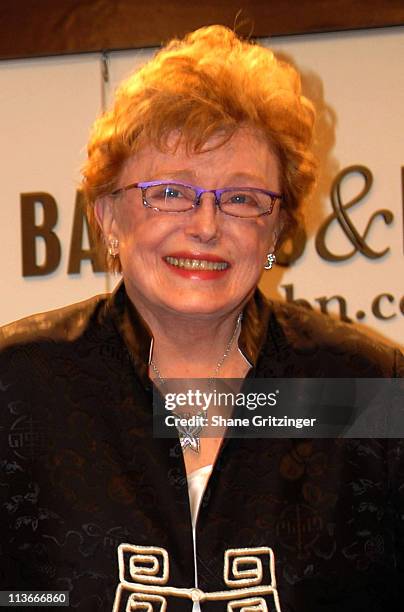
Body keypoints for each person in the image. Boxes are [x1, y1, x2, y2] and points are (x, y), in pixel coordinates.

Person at [0, 25, 403, 612]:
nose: (207, 226)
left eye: (241, 199)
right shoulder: (19, 382)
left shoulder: (367, 385)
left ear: (276, 231)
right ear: (108, 215)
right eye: (170, 192)